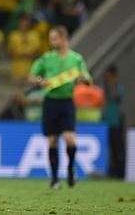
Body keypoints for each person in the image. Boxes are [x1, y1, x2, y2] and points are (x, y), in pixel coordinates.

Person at [29, 26, 91, 189]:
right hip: (50, 101)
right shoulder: (46, 58)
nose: (51, 41)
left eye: (54, 38)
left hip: (67, 102)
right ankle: (55, 179)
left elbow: (88, 79)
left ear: (64, 38)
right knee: (52, 140)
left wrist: (83, 79)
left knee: (70, 139)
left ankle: (70, 168)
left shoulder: (76, 58)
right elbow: (33, 76)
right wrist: (40, 80)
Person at [100, 65, 125, 178]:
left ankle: (119, 172)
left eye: (108, 74)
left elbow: (116, 97)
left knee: (116, 148)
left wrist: (112, 83)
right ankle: (106, 171)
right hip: (102, 123)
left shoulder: (118, 87)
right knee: (104, 148)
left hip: (115, 122)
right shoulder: (101, 86)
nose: (105, 76)